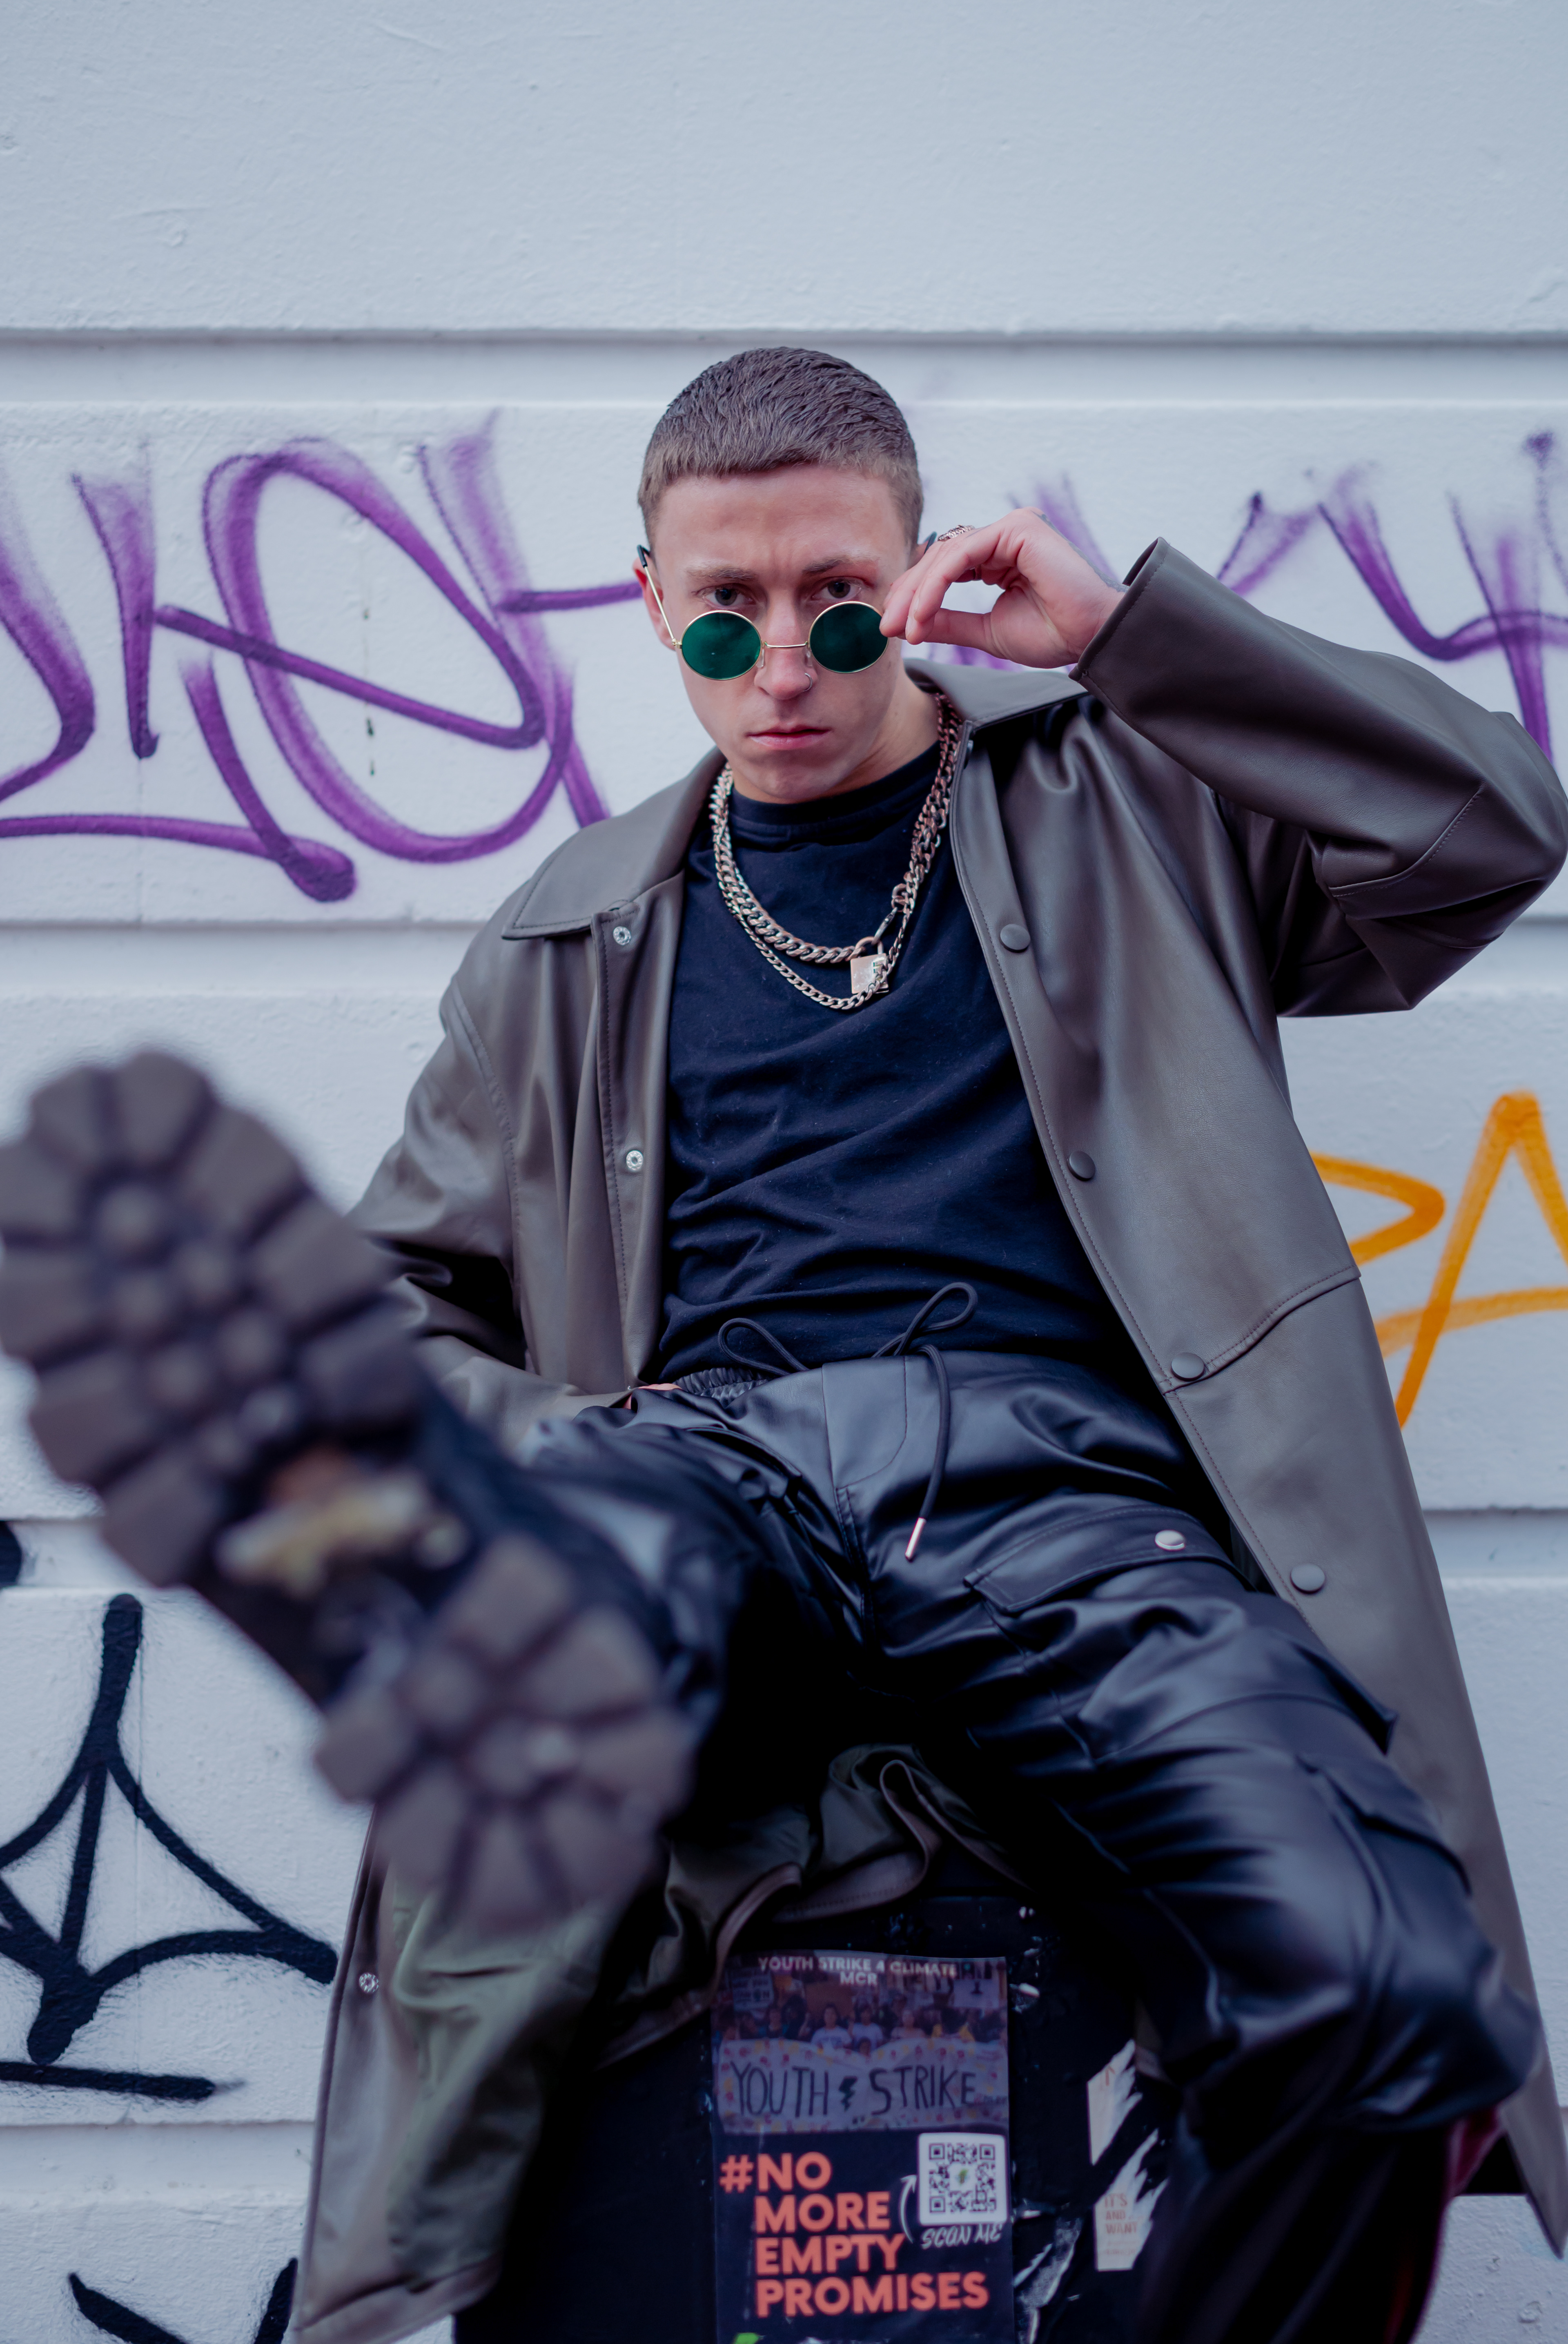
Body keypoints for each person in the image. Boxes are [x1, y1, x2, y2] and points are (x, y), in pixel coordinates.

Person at [2, 348, 1564, 2344]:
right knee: (601, 1551)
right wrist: (548, 1430)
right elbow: (410, 1286)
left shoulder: (1136, 801)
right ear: (650, 603)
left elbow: (1487, 834)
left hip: (1071, 1513)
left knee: (1395, 2002)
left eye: (839, 603)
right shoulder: (569, 937)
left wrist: (1127, 635)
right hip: (720, 1472)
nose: (784, 666)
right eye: (724, 615)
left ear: (921, 577)